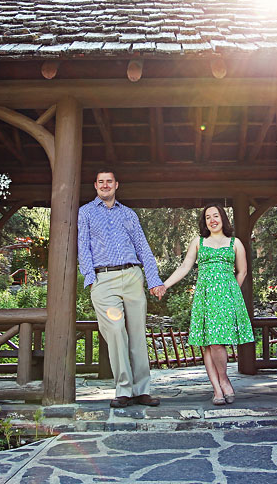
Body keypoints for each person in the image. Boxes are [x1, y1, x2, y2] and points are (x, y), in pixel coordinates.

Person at [78, 169, 166, 408]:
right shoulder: (85, 212)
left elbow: (143, 247)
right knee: (116, 331)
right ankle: (124, 389)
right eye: (101, 182)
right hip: (103, 279)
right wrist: (90, 278)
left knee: (137, 335)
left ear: (116, 185)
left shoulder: (129, 214)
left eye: (109, 181)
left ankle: (142, 390)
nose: (105, 185)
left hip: (132, 276)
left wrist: (154, 279)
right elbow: (82, 246)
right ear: (95, 185)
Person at [156, 204, 254, 405]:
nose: (212, 220)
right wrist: (164, 285)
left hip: (227, 297)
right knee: (208, 343)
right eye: (208, 217)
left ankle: (224, 379)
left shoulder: (235, 243)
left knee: (217, 342)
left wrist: (231, 293)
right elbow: (185, 267)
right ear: (204, 221)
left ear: (223, 218)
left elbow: (242, 271)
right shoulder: (198, 242)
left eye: (215, 216)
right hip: (205, 296)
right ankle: (218, 388)